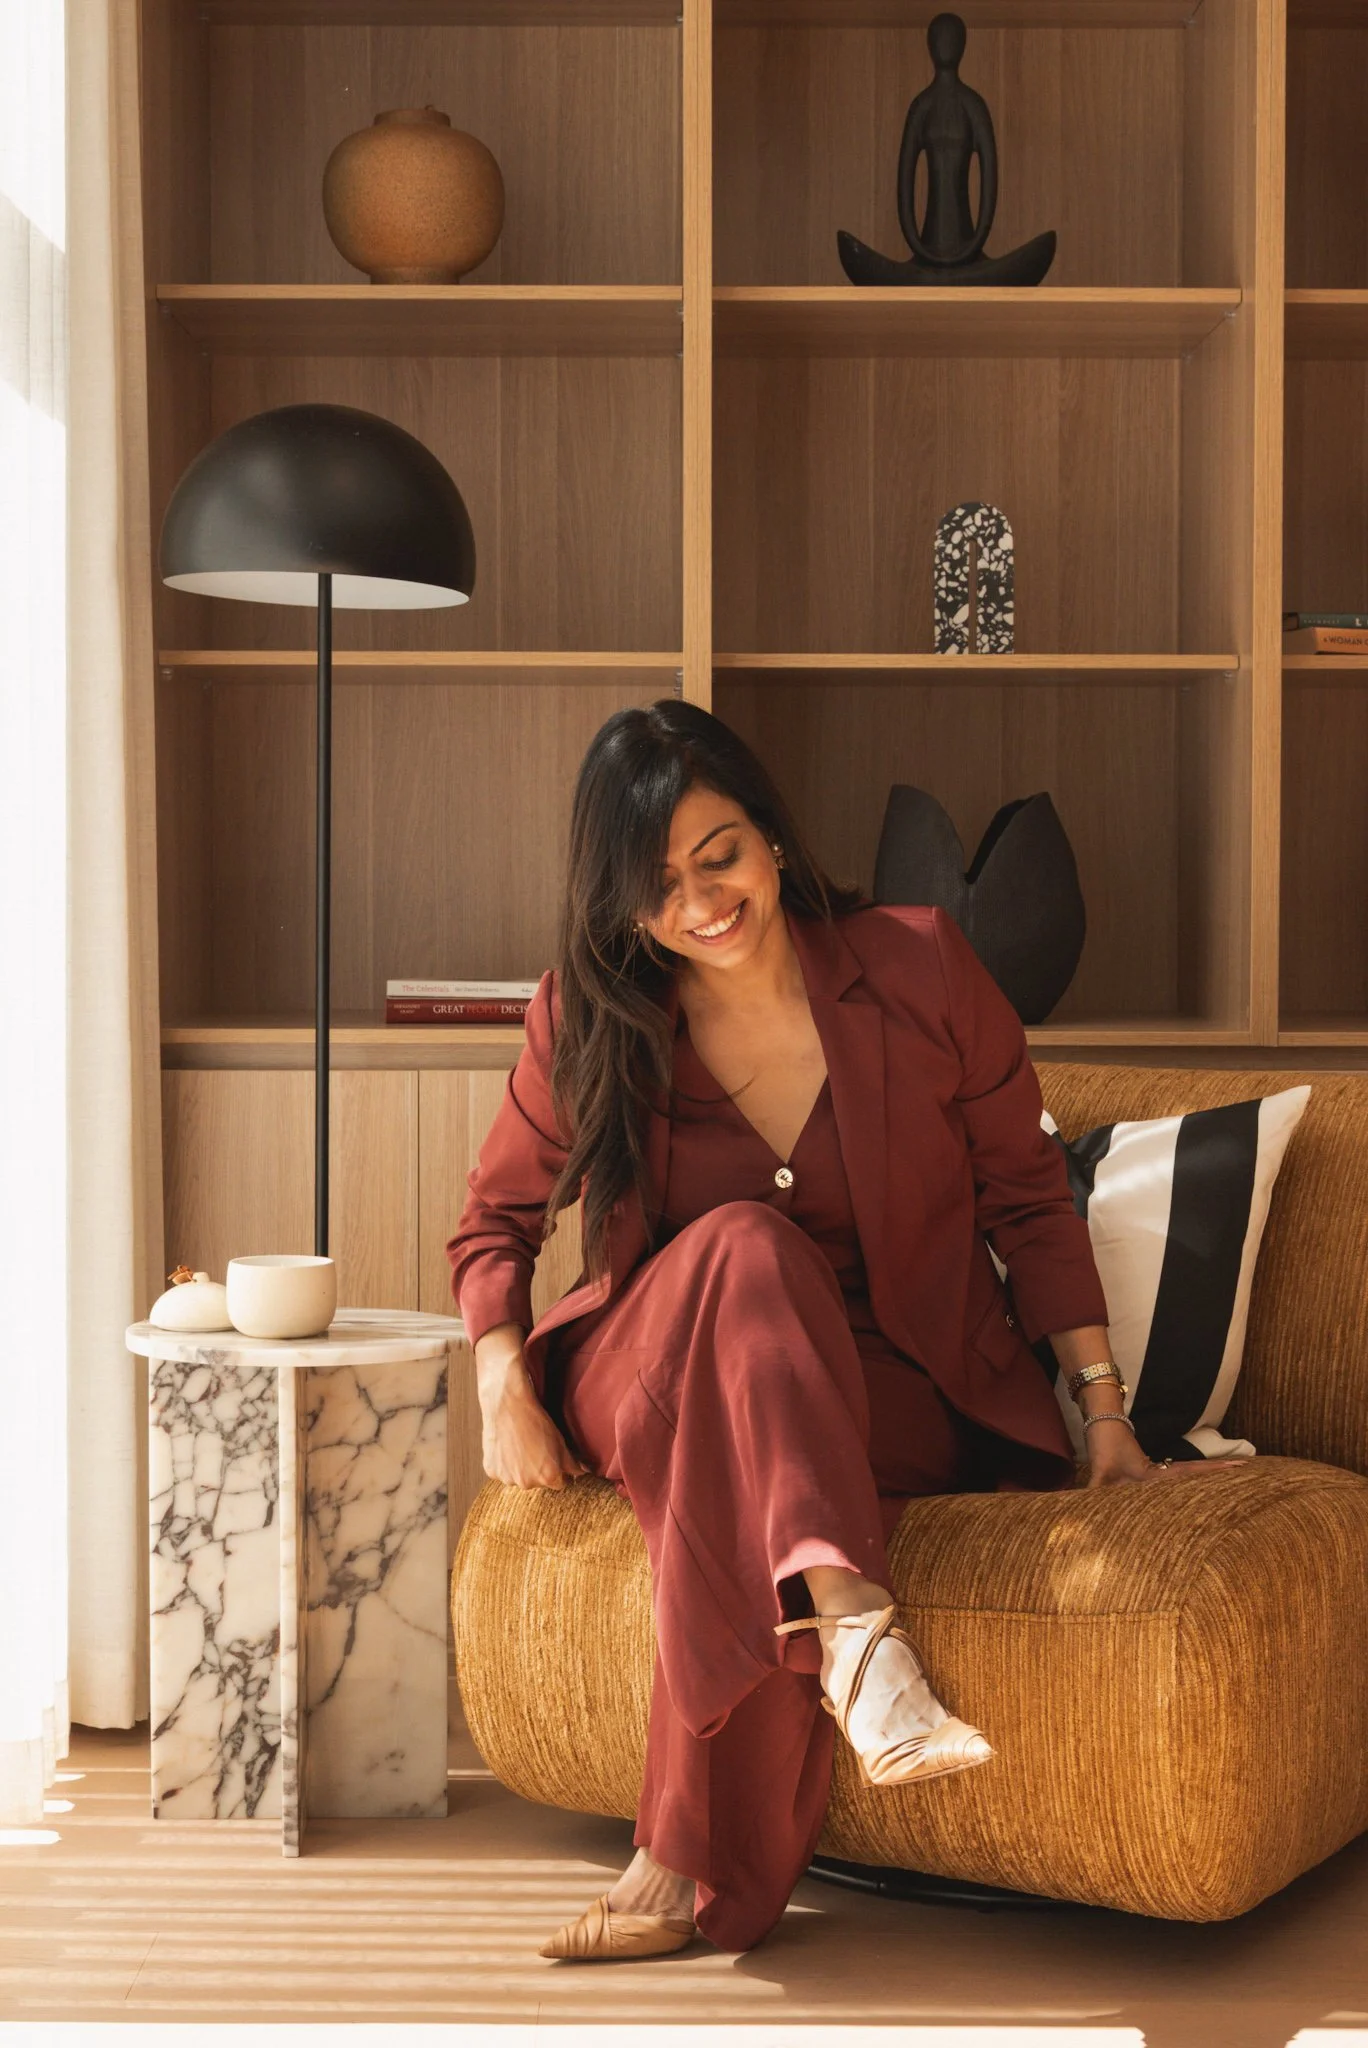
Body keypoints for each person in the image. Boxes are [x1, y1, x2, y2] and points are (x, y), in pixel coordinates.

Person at [445, 700, 1243, 1965]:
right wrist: (501, 1379)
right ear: (618, 904)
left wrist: (1101, 1410)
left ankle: (680, 1861)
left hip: (895, 1386)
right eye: (659, 885)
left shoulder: (922, 966)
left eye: (722, 853)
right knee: (749, 1252)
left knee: (742, 1461)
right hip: (658, 1359)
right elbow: (493, 1223)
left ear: (770, 835)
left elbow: (1029, 1200)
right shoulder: (586, 1013)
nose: (703, 899)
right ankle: (862, 1636)